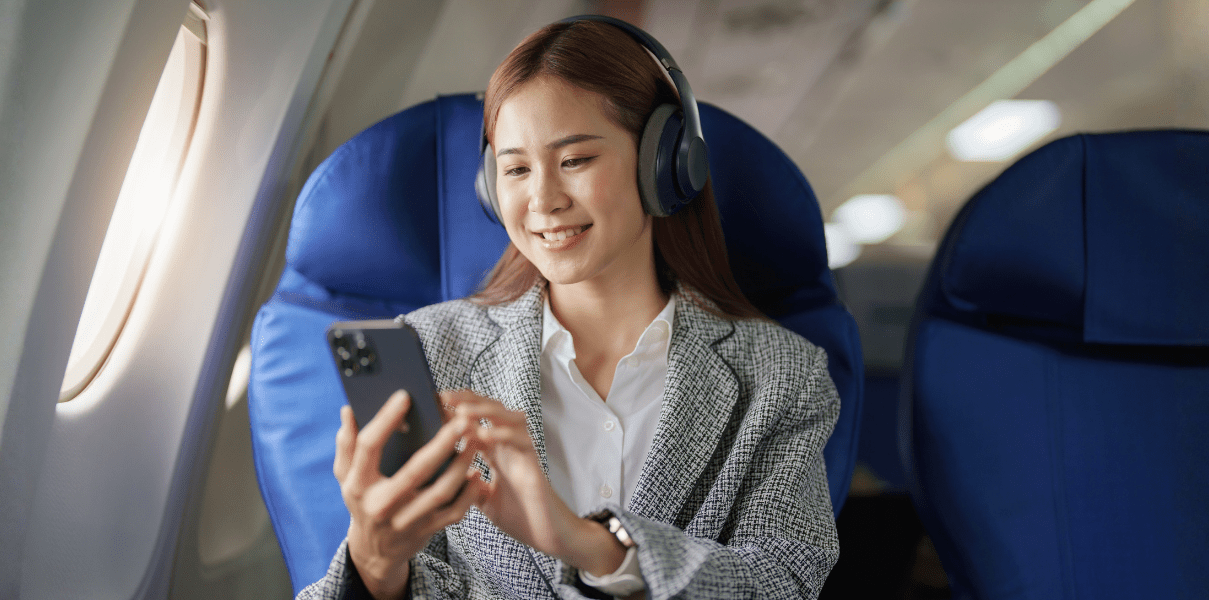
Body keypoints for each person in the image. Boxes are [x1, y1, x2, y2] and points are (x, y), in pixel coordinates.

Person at [298, 16, 840, 600]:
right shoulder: (430, 350)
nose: (543, 200)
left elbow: (784, 582)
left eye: (575, 160)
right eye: (516, 169)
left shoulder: (783, 376)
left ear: (664, 163)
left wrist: (589, 545)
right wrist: (376, 567)